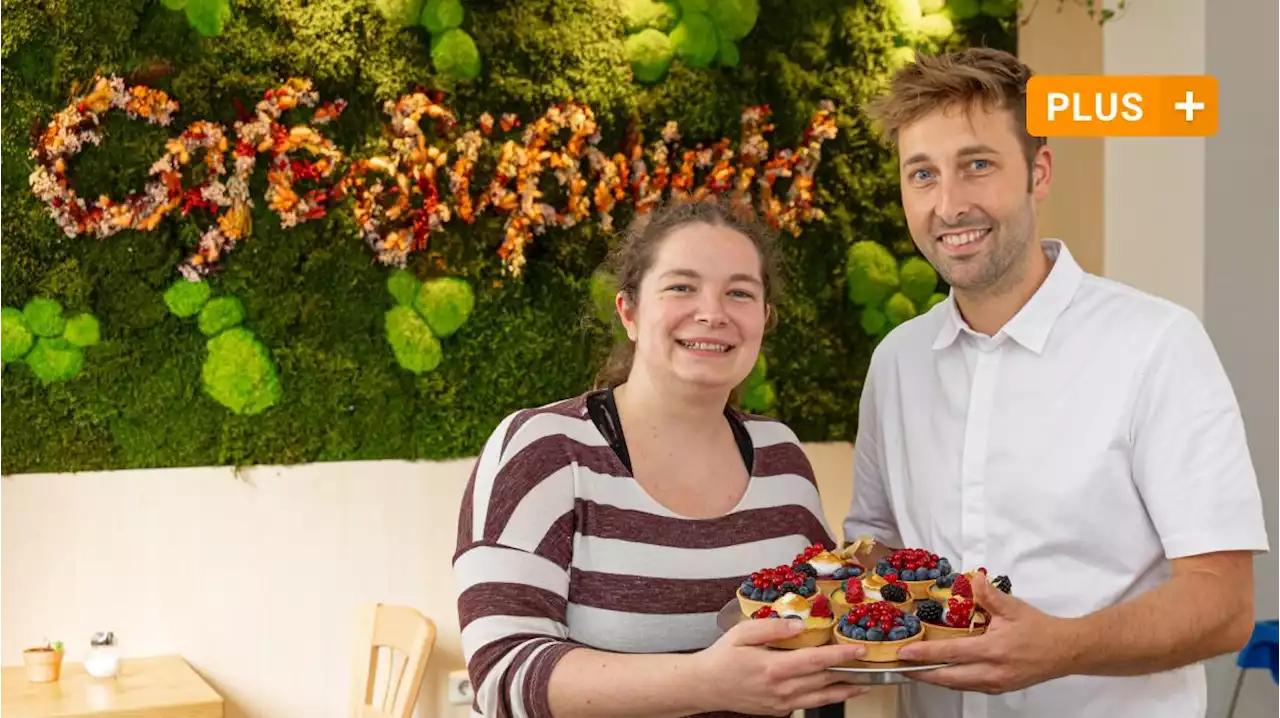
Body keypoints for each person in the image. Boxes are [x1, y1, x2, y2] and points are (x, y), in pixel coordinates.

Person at [842, 47, 1270, 718]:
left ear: (1039, 171)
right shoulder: (897, 361)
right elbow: (880, 552)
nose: (948, 204)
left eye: (977, 165)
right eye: (921, 174)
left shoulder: (1157, 344)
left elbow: (1224, 604)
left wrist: (1062, 647)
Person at [453, 196, 870, 718]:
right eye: (681, 287)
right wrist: (705, 682)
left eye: (739, 293)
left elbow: (815, 633)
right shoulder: (545, 450)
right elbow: (501, 675)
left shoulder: (781, 458)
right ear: (629, 311)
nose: (712, 313)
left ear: (764, 318)